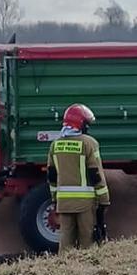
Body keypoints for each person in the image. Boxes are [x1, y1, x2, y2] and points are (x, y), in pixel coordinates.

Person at [48, 103, 106, 251]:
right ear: (80, 124)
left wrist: (55, 199)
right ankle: (86, 272)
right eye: (87, 124)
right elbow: (96, 174)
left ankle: (65, 270)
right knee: (87, 242)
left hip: (64, 202)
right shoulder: (89, 143)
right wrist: (104, 199)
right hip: (84, 203)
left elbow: (52, 176)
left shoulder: (55, 145)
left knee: (65, 242)